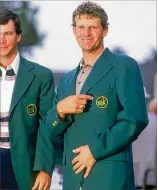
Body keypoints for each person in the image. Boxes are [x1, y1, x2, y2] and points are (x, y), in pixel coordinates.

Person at [45, 1, 149, 190]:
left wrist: (95, 149)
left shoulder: (123, 66)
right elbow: (52, 132)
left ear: (105, 30)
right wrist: (59, 111)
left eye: (93, 27)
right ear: (74, 31)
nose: (86, 33)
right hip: (71, 178)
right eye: (81, 27)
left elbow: (135, 119)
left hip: (109, 175)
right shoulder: (67, 80)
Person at [0, 8, 56, 190]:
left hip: (24, 166)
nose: (2, 40)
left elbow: (46, 127)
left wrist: (45, 168)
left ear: (18, 36)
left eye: (7, 33)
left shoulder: (41, 76)